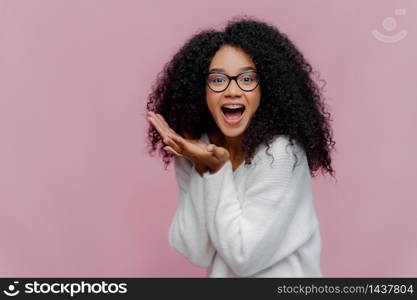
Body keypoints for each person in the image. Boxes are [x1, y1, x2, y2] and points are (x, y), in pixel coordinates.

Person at [146, 17, 336, 277]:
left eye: (247, 79)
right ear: (201, 90)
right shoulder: (195, 150)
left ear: (266, 88)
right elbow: (194, 250)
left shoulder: (280, 153)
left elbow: (244, 257)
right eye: (218, 80)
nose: (232, 91)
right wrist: (203, 165)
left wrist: (216, 168)